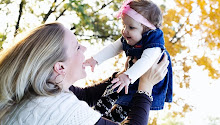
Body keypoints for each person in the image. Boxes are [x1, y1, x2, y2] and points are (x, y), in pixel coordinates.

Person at [0, 22, 169, 125]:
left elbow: (86, 96)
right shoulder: (58, 108)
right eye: (77, 47)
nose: (85, 49)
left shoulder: (37, 89)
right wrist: (145, 86)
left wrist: (126, 75)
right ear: (60, 68)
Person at [85, 0, 173, 122]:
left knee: (126, 105)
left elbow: (147, 61)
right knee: (112, 89)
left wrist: (128, 76)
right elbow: (114, 48)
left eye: (131, 27)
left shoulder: (154, 43)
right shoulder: (130, 36)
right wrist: (96, 59)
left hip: (148, 81)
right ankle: (96, 114)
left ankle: (111, 120)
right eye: (124, 25)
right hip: (130, 77)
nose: (125, 31)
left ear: (147, 29)